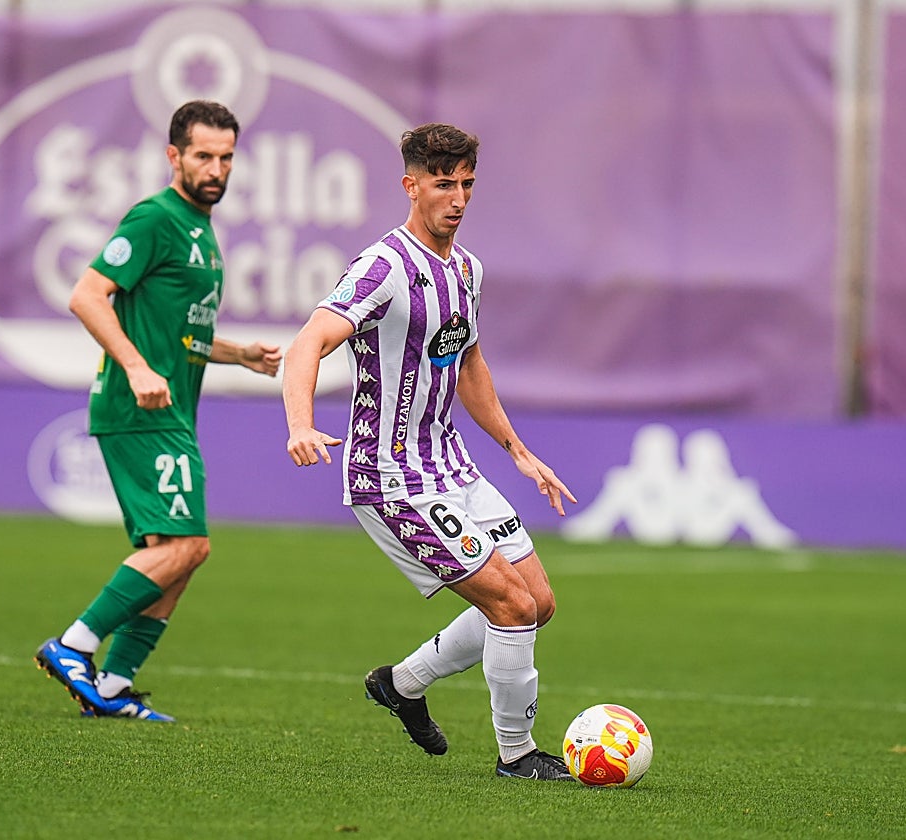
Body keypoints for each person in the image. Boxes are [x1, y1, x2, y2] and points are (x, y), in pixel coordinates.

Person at [282, 123, 578, 779]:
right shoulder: (382, 268)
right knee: (509, 606)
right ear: (411, 185)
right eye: (444, 184)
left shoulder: (467, 269)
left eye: (468, 183)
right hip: (392, 479)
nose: (459, 197)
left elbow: (468, 361)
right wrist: (300, 424)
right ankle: (517, 755)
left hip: (454, 469)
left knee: (539, 604)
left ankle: (402, 685)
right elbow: (308, 343)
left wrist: (517, 450)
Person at [34, 100, 282, 722]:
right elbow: (87, 296)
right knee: (186, 546)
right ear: (174, 156)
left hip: (171, 410)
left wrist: (239, 354)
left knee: (174, 551)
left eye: (226, 158)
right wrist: (137, 367)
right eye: (203, 156)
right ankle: (73, 646)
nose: (216, 169)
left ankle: (114, 686)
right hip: (139, 408)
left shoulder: (201, 228)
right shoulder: (155, 217)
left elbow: (176, 332)